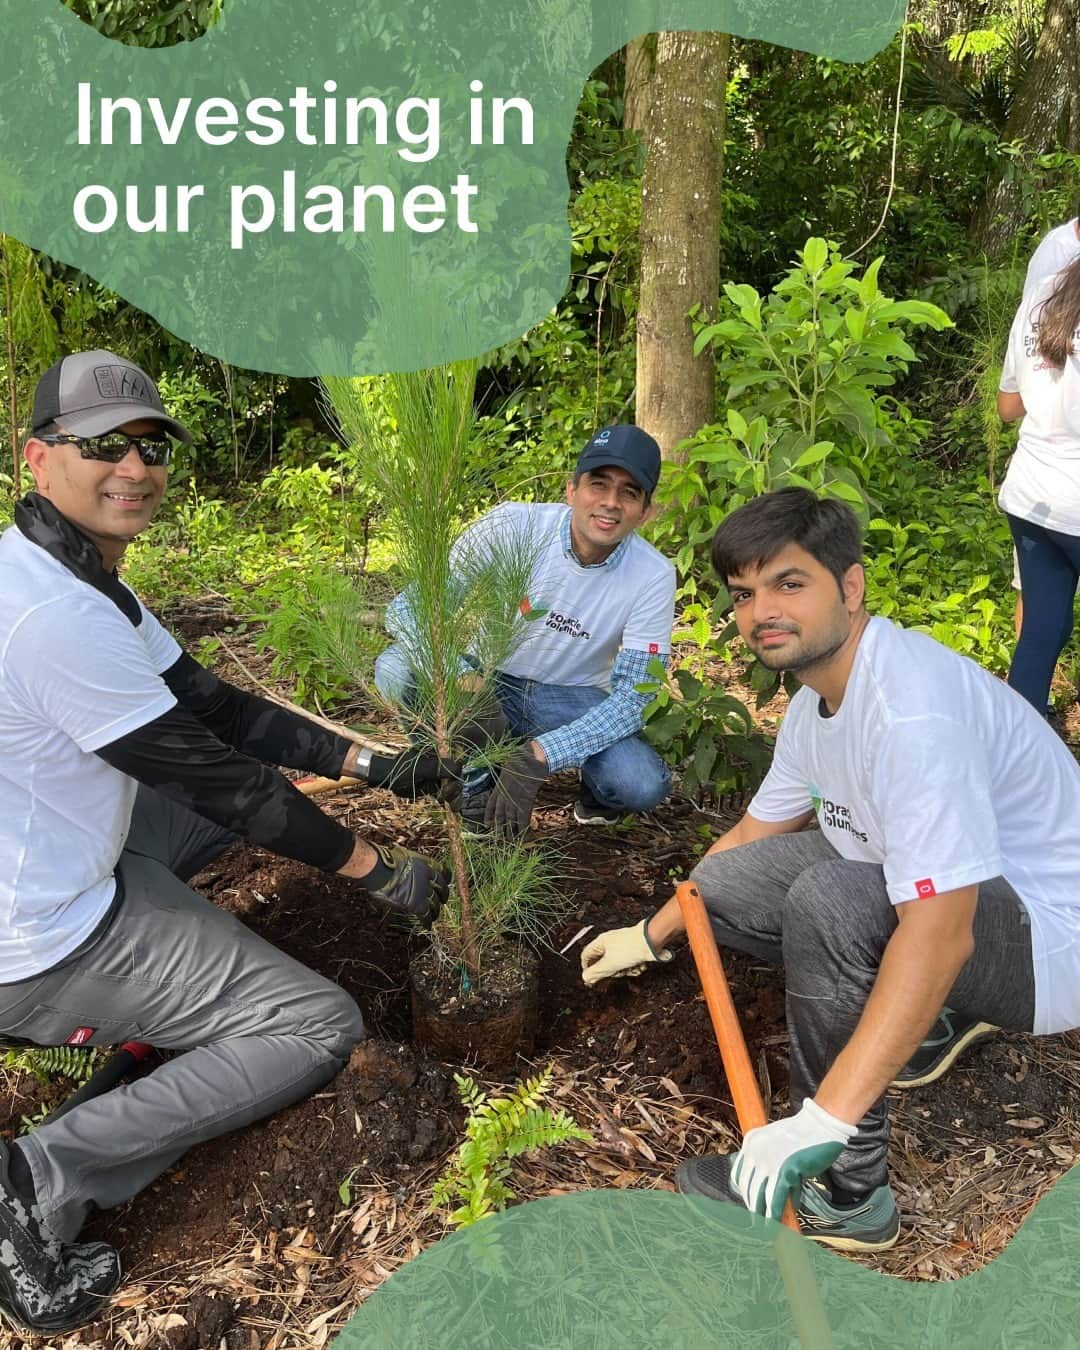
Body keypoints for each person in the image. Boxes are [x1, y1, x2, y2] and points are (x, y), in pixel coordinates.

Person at [0, 350, 454, 1335]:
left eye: (151, 444)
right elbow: (226, 784)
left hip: (43, 845)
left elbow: (221, 711)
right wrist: (382, 875)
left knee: (248, 797)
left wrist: (380, 770)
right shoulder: (53, 617)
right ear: (37, 458)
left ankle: (152, 1000)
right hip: (37, 938)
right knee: (314, 1025)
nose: (134, 465)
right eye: (102, 445)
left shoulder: (73, 576)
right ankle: (38, 1178)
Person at [580, 487, 1080, 1251]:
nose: (761, 613)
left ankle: (850, 1193)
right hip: (971, 900)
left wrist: (824, 1119)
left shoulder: (912, 712)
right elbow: (753, 831)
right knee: (722, 887)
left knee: (833, 898)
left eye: (789, 583)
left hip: (1048, 943)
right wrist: (651, 934)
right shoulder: (819, 702)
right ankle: (926, 1016)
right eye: (744, 594)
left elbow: (943, 934)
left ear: (850, 587)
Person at [375, 424, 676, 835]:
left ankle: (594, 796)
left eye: (629, 492)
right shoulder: (513, 526)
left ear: (646, 511)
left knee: (641, 783)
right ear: (571, 489)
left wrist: (540, 756)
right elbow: (409, 610)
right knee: (395, 667)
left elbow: (635, 697)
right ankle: (473, 783)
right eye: (598, 484)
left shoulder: (654, 575)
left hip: (571, 696)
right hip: (488, 680)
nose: (609, 503)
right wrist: (459, 674)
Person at [998, 254, 1080, 714]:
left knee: (1043, 629)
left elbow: (1008, 405)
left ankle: (1016, 759)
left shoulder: (1043, 291)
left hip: (1031, 497)